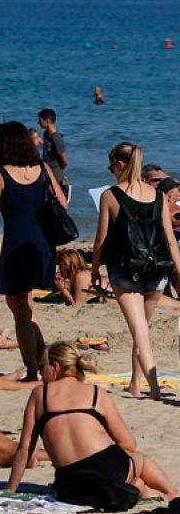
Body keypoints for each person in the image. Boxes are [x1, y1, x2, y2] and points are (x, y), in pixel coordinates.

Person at [8, 341, 178, 511]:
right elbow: (129, 444)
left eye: (41, 367)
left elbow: (24, 449)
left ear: (55, 367)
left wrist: (11, 489)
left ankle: (145, 492)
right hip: (109, 470)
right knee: (140, 459)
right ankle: (172, 493)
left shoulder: (40, 395)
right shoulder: (96, 394)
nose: (40, 372)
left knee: (133, 479)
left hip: (69, 484)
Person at [0, 121, 64, 381]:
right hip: (42, 245)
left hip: (17, 245)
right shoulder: (42, 168)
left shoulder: (1, 174)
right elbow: (62, 202)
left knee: (19, 308)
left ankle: (33, 371)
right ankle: (43, 363)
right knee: (26, 306)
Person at [90, 142, 180, 400]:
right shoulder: (158, 196)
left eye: (111, 166)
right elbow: (170, 240)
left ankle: (152, 389)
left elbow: (100, 241)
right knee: (141, 327)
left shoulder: (111, 195)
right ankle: (134, 383)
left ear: (120, 164)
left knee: (140, 331)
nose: (111, 171)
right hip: (156, 271)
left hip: (126, 270)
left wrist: (95, 269)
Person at [38, 109, 69, 203]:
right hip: (46, 174)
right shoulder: (46, 134)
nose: (38, 123)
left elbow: (64, 160)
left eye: (40, 120)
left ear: (47, 121)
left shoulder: (56, 138)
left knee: (55, 204)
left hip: (56, 176)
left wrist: (59, 171)